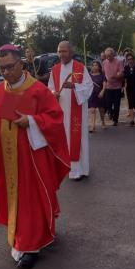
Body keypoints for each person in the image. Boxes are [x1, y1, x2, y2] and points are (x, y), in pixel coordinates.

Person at [0, 44, 70, 269]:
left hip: (33, 160)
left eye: (9, 67)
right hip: (9, 161)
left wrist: (32, 122)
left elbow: (55, 118)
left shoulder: (38, 91)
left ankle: (30, 247)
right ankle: (24, 238)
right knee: (17, 200)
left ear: (21, 64)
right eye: (1, 68)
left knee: (31, 199)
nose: (5, 72)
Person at [48, 41, 93, 181]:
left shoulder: (80, 68)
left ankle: (79, 170)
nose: (61, 54)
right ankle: (64, 168)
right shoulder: (55, 69)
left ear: (71, 52)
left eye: (64, 51)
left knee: (76, 140)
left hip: (76, 111)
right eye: (59, 51)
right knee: (63, 140)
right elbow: (49, 88)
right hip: (61, 110)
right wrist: (53, 93)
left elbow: (89, 86)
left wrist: (74, 86)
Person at [102, 47, 125, 126]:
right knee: (108, 103)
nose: (108, 57)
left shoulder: (119, 62)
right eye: (106, 56)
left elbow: (121, 73)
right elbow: (103, 73)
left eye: (109, 55)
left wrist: (115, 76)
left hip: (117, 87)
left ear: (113, 54)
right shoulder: (104, 62)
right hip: (108, 87)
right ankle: (110, 112)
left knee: (116, 104)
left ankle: (115, 120)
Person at [88, 60, 107, 132]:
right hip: (92, 95)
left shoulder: (102, 75)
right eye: (93, 65)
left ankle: (102, 121)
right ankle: (92, 126)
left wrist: (102, 91)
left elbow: (104, 85)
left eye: (96, 65)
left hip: (100, 95)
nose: (94, 66)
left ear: (99, 67)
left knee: (101, 110)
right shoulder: (89, 76)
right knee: (92, 110)